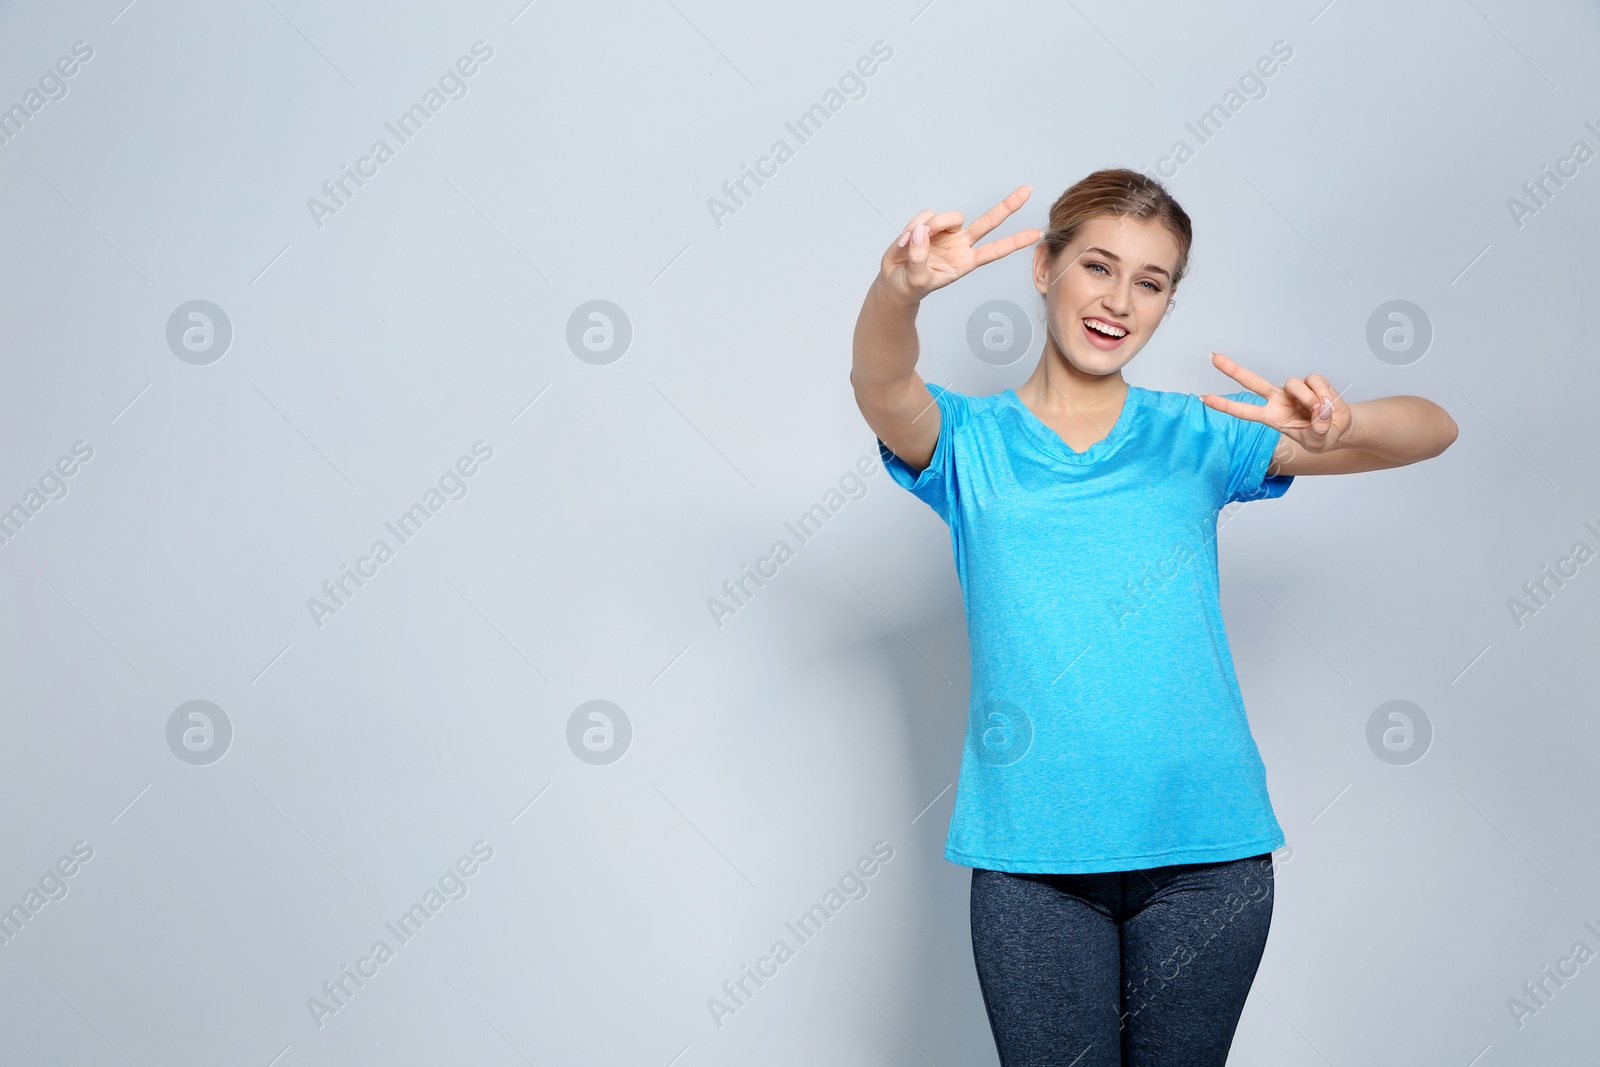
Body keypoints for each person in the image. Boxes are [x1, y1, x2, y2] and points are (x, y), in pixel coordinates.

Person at [849, 168, 1457, 1066]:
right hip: (1032, 858)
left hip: (1207, 855)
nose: (1118, 300)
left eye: (1151, 280)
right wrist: (896, 290)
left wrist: (1345, 422)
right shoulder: (967, 442)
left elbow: (1433, 426)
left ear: (1169, 302)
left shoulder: (1200, 432)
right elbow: (879, 379)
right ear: (1044, 268)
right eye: (1098, 266)